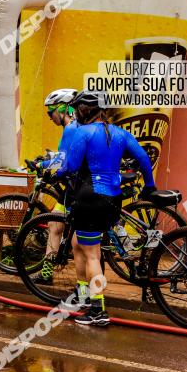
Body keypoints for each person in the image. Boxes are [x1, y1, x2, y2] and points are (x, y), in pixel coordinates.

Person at [54, 91, 155, 326]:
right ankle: (83, 297)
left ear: (83, 110)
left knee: (92, 255)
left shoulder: (83, 132)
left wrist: (53, 170)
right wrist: (149, 187)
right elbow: (143, 158)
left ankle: (98, 310)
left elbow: (69, 166)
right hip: (112, 199)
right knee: (79, 244)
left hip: (90, 198)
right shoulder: (120, 133)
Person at [33, 88, 80, 286]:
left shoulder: (71, 129)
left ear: (62, 109)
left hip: (78, 188)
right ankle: (46, 271)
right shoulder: (73, 127)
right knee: (54, 225)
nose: (49, 117)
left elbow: (65, 162)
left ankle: (84, 288)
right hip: (72, 188)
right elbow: (65, 156)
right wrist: (50, 159)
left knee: (79, 243)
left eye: (50, 112)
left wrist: (42, 165)